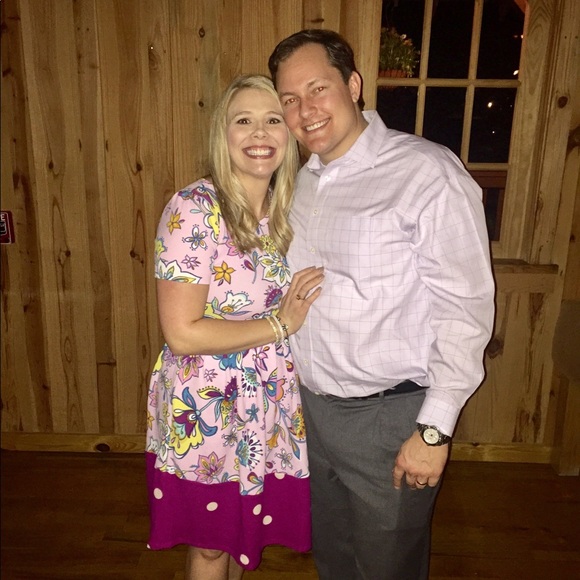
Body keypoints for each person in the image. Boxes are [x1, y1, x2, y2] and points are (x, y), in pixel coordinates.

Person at [268, 30, 496, 580]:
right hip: (312, 411)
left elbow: (465, 309)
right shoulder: (299, 182)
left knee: (387, 567)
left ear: (353, 85)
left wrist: (434, 431)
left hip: (389, 418)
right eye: (290, 99)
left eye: (318, 89)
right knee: (333, 559)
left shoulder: (426, 172)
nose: (305, 110)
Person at [146, 74, 324, 580]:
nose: (259, 133)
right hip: (206, 401)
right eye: (243, 120)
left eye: (273, 120)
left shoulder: (288, 208)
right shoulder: (195, 208)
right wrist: (279, 325)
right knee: (210, 545)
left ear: (290, 133)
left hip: (266, 397)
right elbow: (182, 333)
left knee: (243, 536)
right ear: (221, 135)